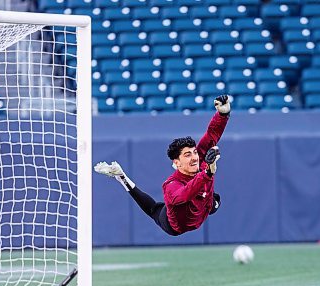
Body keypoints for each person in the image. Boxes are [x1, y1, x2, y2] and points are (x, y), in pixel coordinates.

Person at [94, 95, 231, 236]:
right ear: (176, 163)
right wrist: (208, 173)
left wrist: (223, 114)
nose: (195, 157)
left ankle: (211, 202)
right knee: (154, 209)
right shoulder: (170, 185)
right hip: (176, 226)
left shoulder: (200, 161)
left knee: (214, 201)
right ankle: (121, 177)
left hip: (203, 207)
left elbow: (211, 134)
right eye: (187, 154)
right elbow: (184, 195)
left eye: (194, 152)